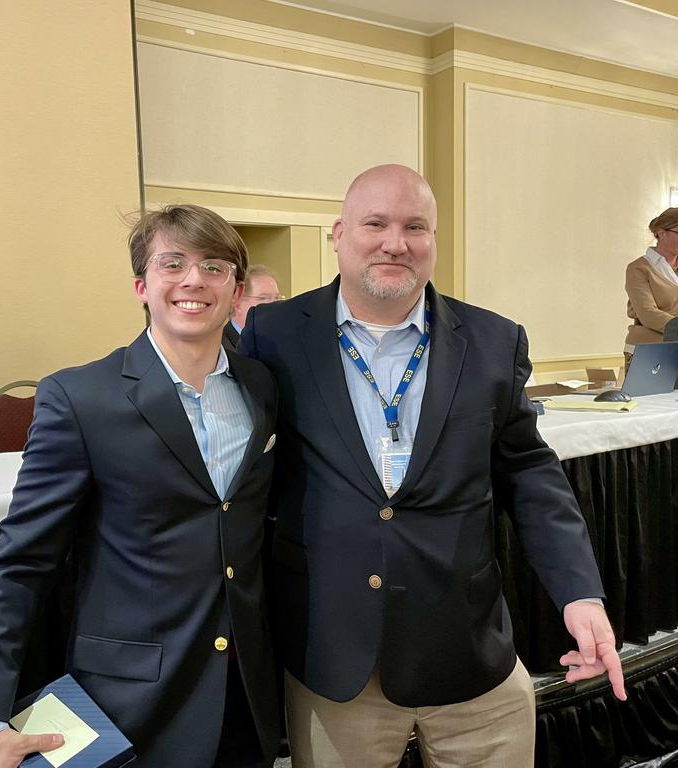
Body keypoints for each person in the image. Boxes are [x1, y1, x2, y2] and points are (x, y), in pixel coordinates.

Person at [239, 164, 625, 768]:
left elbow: (529, 475)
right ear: (338, 234)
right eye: (375, 223)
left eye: (415, 226)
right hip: (335, 662)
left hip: (470, 656)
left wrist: (580, 594)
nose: (396, 242)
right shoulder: (274, 333)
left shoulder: (494, 342)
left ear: (434, 242)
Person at [0, 204, 280, 768]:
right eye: (172, 263)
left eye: (214, 266)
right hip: (128, 699)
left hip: (245, 691)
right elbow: (20, 562)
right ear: (141, 285)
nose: (194, 280)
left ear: (236, 289)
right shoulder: (81, 398)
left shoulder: (263, 387)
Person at [623, 207, 678, 373]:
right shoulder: (638, 269)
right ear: (661, 233)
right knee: (650, 399)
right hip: (649, 350)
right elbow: (648, 313)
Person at [223, 264, 284, 351]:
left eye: (277, 298)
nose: (275, 305)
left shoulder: (281, 343)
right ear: (237, 303)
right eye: (263, 298)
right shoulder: (220, 350)